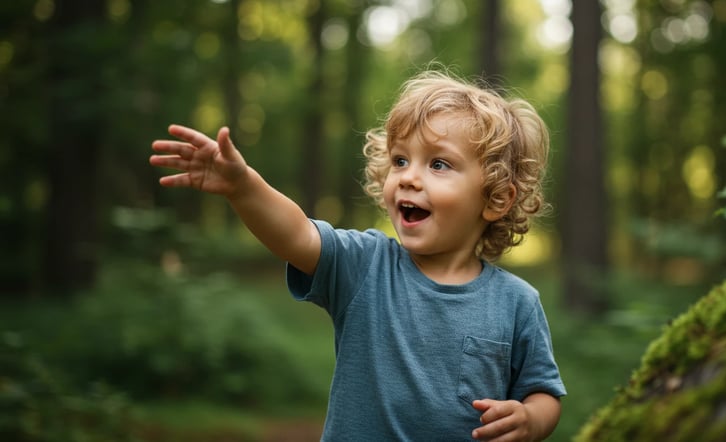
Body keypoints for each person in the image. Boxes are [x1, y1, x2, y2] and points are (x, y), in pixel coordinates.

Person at [150, 70, 566, 441]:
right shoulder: (366, 265)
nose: (409, 177)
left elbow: (544, 391)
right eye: (401, 160)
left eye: (438, 164)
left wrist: (530, 420)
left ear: (495, 199)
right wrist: (243, 188)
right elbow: (295, 233)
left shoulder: (517, 302)